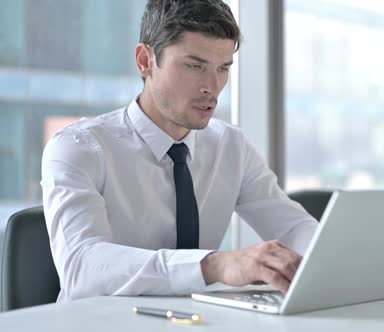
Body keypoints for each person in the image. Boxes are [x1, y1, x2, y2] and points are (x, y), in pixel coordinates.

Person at [41, 0, 318, 302]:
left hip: (194, 321)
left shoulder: (230, 147)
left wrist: (329, 259)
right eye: (194, 66)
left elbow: (293, 227)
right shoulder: (78, 148)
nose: (212, 87)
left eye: (223, 68)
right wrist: (214, 265)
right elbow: (83, 267)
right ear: (145, 60)